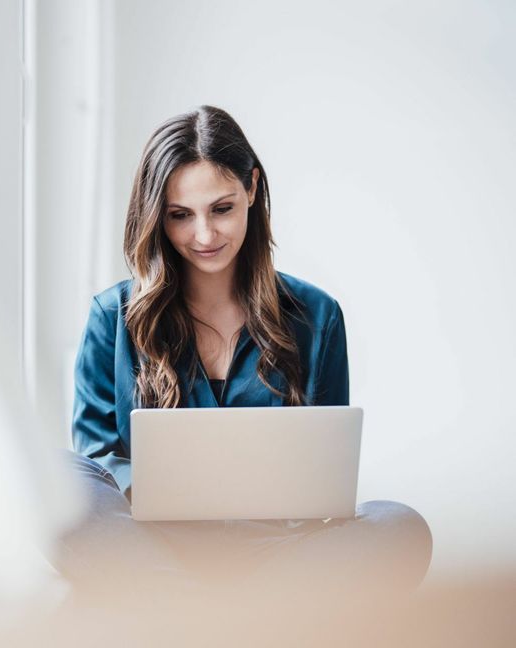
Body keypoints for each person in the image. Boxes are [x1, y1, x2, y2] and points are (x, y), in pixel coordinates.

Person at [48, 105, 432, 598]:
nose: (204, 236)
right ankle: (229, 614)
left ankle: (191, 611)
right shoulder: (113, 315)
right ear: (156, 217)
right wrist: (150, 489)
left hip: (275, 553)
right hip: (151, 546)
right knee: (55, 478)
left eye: (222, 208)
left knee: (400, 527)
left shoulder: (317, 316)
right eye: (180, 216)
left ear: (251, 188)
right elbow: (97, 461)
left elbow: (327, 475)